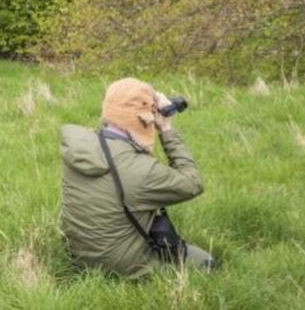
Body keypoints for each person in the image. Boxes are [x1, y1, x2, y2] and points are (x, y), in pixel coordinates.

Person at [59, 77, 216, 278]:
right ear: (145, 118)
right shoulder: (140, 169)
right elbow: (193, 183)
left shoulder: (81, 147)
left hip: (79, 257)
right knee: (207, 263)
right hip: (122, 266)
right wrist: (166, 130)